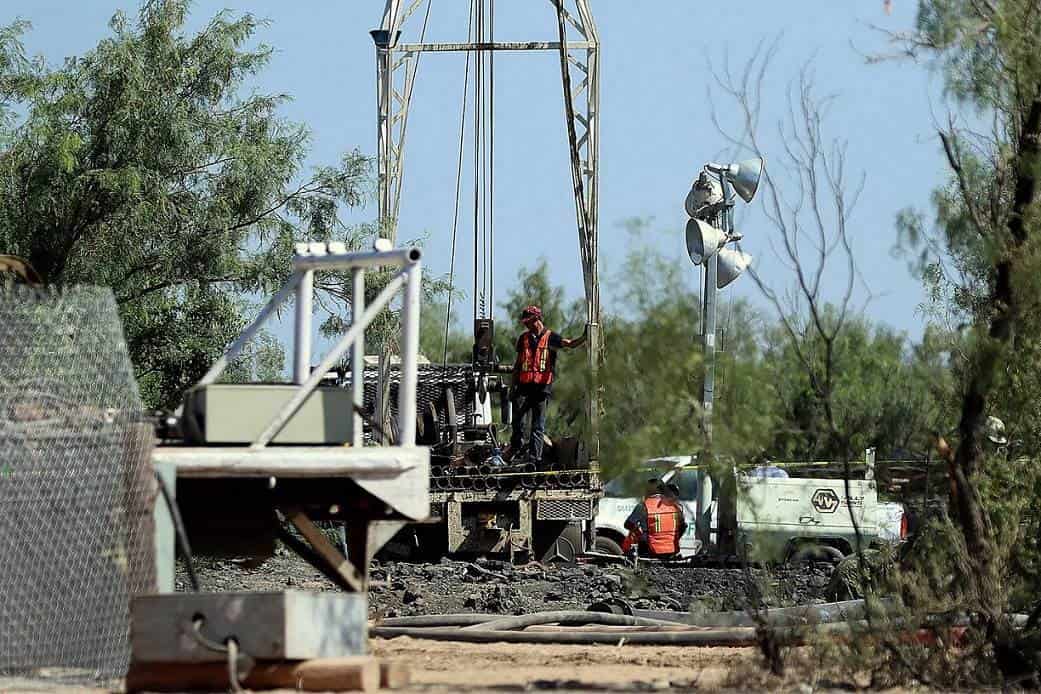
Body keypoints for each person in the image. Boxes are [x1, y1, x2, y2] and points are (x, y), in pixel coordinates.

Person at [508, 304, 586, 463]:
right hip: (523, 388)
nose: (526, 325)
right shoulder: (523, 339)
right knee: (517, 421)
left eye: (528, 321)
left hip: (541, 389)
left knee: (537, 426)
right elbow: (518, 364)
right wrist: (512, 386)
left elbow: (569, 344)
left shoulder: (551, 337)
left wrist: (585, 337)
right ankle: (516, 448)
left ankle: (534, 458)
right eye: (525, 322)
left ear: (537, 319)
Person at [623, 478, 687, 558]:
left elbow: (628, 524)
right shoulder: (674, 506)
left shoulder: (643, 506)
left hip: (650, 551)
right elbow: (683, 526)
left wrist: (639, 535)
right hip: (672, 551)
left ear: (648, 491)